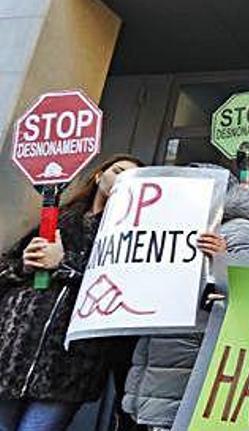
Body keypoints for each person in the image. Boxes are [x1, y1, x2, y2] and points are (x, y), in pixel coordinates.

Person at [0, 154, 144, 431]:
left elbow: (120, 289)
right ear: (99, 175)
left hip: (69, 363)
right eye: (117, 171)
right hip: (15, 349)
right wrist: (24, 266)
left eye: (131, 178)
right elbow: (7, 266)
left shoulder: (128, 235)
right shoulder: (58, 218)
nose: (122, 179)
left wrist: (64, 264)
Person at [123, 170, 249, 431]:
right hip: (155, 356)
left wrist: (222, 260)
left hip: (188, 361)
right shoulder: (173, 231)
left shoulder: (239, 230)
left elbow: (248, 296)